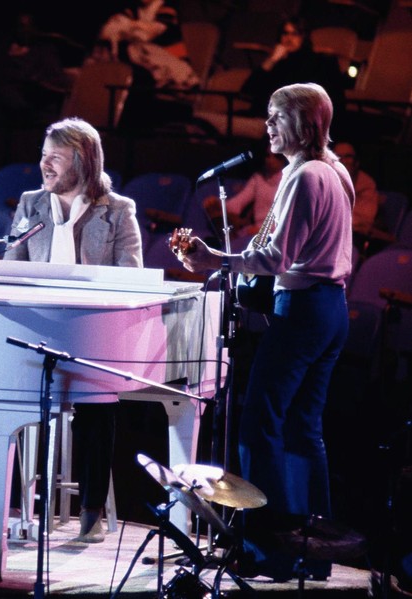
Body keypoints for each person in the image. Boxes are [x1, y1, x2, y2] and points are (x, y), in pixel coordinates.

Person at [178, 82, 354, 581]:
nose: (267, 127)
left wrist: (216, 260)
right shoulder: (336, 172)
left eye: (275, 117)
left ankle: (266, 549)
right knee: (303, 428)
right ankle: (313, 551)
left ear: (300, 123)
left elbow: (277, 257)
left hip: (301, 309)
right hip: (330, 308)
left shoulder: (305, 177)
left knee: (260, 423)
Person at [4, 117, 143, 543]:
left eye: (55, 158)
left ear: (82, 161)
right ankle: (10, 508)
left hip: (91, 336)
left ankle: (90, 510)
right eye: (43, 156)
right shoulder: (31, 204)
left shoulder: (119, 210)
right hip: (36, 333)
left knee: (97, 405)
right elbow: (10, 269)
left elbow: (131, 278)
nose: (43, 165)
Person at [241, 17, 348, 128]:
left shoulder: (316, 62)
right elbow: (247, 90)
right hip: (268, 117)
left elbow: (333, 99)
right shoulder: (277, 62)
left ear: (303, 37)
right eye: (285, 33)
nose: (289, 38)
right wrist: (272, 60)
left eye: (295, 34)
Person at [203, 147, 285, 239]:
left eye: (276, 156)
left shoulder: (290, 180)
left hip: (278, 234)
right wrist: (218, 204)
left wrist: (265, 230)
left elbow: (289, 218)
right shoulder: (258, 178)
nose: (270, 159)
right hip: (255, 232)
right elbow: (239, 201)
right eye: (267, 156)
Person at [334, 141, 380, 242]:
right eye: (338, 157)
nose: (343, 161)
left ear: (357, 162)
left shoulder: (366, 184)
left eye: (348, 156)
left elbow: (364, 221)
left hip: (353, 240)